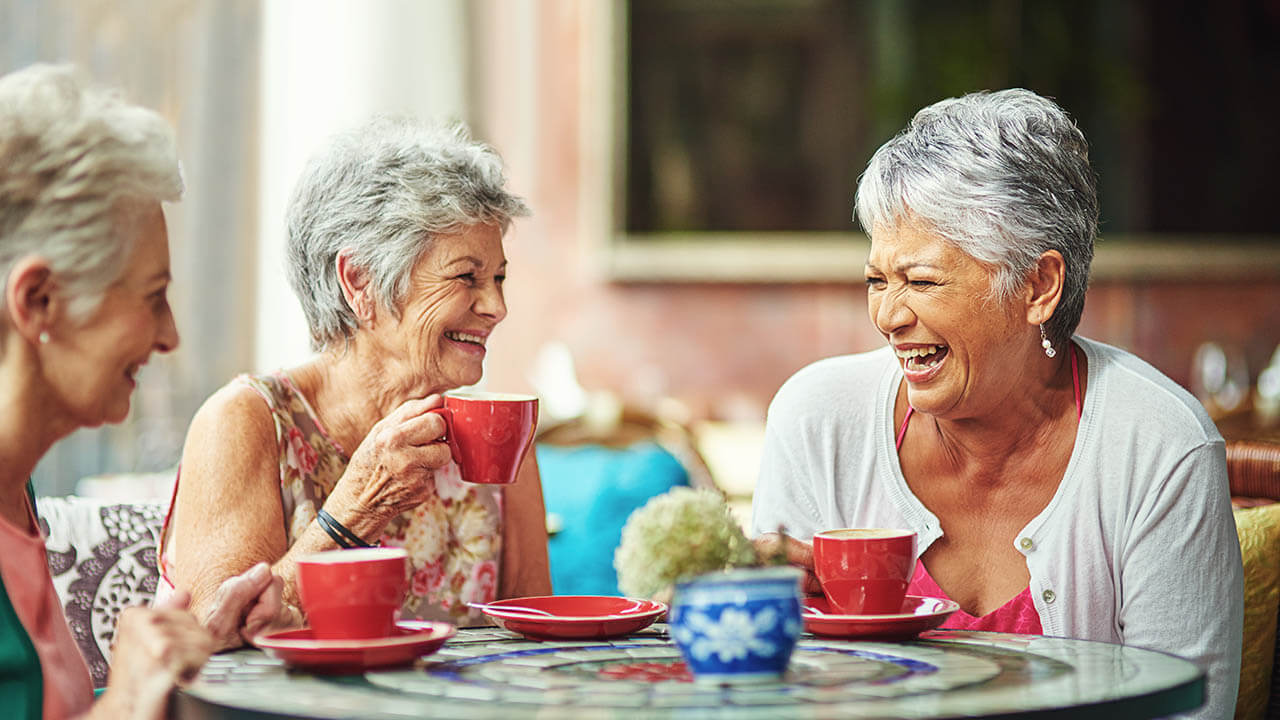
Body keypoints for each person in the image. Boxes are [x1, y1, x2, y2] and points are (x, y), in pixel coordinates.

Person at [750, 89, 1242, 719]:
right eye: (878, 280)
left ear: (1038, 286)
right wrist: (754, 617)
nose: (888, 316)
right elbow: (771, 697)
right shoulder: (817, 420)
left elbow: (1186, 710)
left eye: (922, 282)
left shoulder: (1160, 446)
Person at [159, 116, 551, 635]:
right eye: (467, 277)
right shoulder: (245, 421)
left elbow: (535, 639)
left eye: (498, 278)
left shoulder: (495, 432)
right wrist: (357, 509)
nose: (497, 307)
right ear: (360, 280)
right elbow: (208, 639)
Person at [0, 64, 282, 719]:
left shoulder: (17, 497)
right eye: (153, 298)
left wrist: (185, 650)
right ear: (38, 300)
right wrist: (124, 703)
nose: (171, 336)